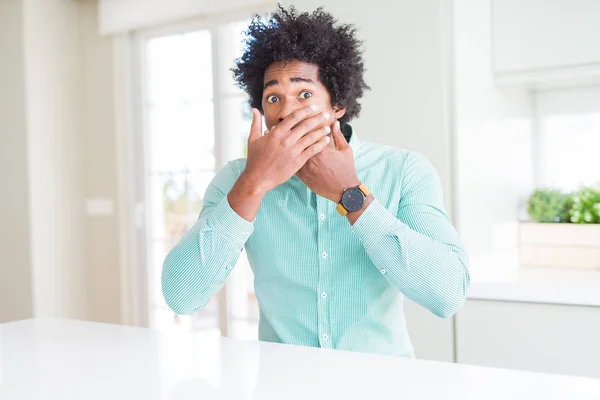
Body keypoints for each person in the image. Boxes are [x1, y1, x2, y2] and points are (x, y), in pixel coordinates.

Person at [162, 5, 469, 357]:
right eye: (273, 97)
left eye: (304, 94)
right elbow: (181, 296)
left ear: (337, 104)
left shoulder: (403, 170)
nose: (285, 111)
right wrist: (253, 184)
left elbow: (449, 293)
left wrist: (351, 195)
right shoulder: (236, 180)